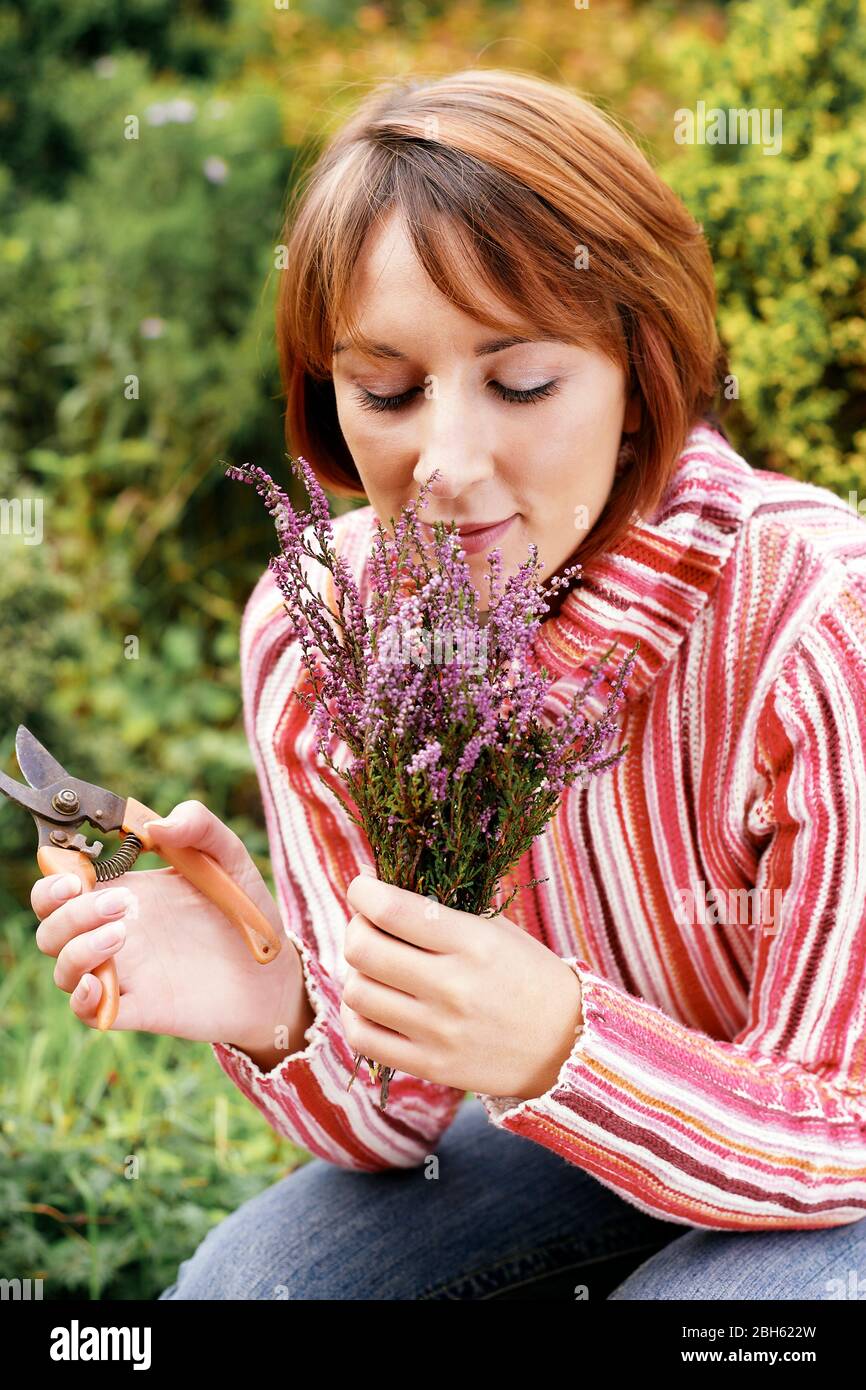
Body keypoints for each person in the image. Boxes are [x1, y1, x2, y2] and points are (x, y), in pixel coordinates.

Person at [32, 69, 866, 1300]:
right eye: (386, 390)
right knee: (250, 1287)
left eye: (521, 382)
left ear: (637, 375)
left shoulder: (814, 618)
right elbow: (392, 1125)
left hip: (826, 1157)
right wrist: (279, 1005)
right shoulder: (322, 639)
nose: (446, 461)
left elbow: (840, 1124)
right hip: (577, 1134)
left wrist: (562, 1047)